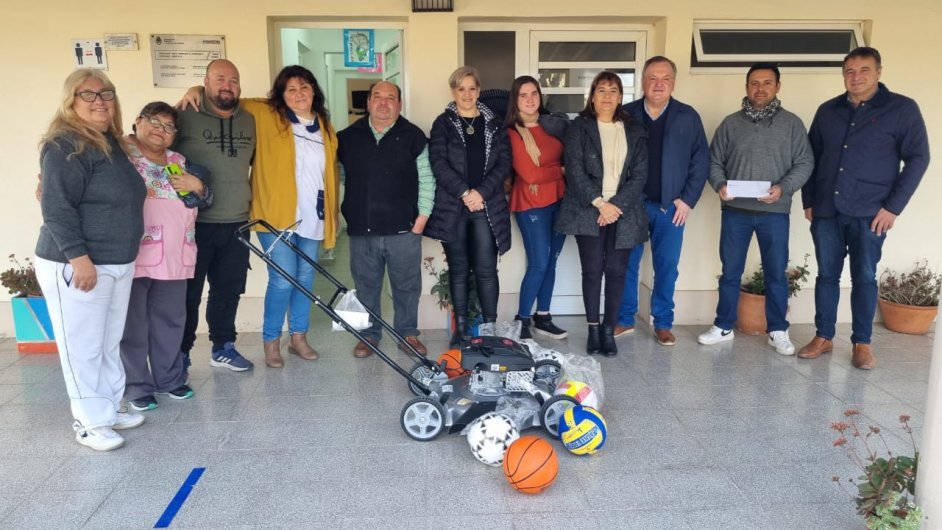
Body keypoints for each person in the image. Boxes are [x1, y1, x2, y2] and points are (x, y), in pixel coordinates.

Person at [179, 64, 340, 369]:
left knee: (305, 279)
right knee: (282, 280)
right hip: (275, 215)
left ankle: (299, 338)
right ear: (280, 94)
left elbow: (329, 175)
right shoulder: (266, 115)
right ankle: (270, 342)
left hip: (313, 216)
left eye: (304, 87)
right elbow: (225, 96)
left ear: (314, 91)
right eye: (290, 88)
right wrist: (196, 90)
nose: (298, 94)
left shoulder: (325, 126)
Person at [35, 69, 146, 451]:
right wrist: (78, 258)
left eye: (107, 94)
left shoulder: (109, 141)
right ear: (71, 101)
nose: (99, 101)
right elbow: (56, 206)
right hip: (79, 263)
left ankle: (110, 407)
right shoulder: (65, 143)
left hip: (116, 260)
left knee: (106, 342)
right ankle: (88, 422)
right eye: (89, 95)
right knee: (81, 345)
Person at [799, 47, 930, 370]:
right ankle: (824, 336)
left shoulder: (901, 109)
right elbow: (810, 159)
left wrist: (893, 208)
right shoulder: (828, 111)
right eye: (849, 71)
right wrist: (810, 201)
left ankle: (862, 343)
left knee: (864, 277)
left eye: (864, 70)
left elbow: (918, 159)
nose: (856, 77)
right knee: (827, 275)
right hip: (827, 210)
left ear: (878, 72)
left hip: (872, 213)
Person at [697, 63, 814, 356]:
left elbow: (805, 163)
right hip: (735, 211)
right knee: (730, 271)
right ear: (746, 86)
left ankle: (777, 329)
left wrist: (783, 188)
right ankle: (723, 325)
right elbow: (713, 162)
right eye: (754, 83)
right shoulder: (730, 123)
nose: (760, 88)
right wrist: (719, 184)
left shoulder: (792, 124)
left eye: (766, 83)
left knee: (776, 272)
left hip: (774, 213)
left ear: (777, 86)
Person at [120, 102, 213, 411]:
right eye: (154, 122)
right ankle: (137, 385)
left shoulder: (178, 161)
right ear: (137, 122)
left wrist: (198, 186)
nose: (160, 130)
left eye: (169, 127)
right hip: (135, 254)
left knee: (171, 320)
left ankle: (170, 379)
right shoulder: (120, 153)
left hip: (175, 255)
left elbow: (199, 200)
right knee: (134, 324)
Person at [616, 56, 710, 347]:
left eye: (665, 78)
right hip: (632, 205)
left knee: (667, 266)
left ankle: (664, 323)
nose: (659, 84)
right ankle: (624, 319)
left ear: (673, 82)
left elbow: (701, 161)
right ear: (643, 82)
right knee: (627, 264)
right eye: (652, 78)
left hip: (671, 207)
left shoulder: (687, 116)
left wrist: (688, 201)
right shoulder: (626, 114)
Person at [555, 71, 649, 357]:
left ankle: (609, 330)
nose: (607, 96)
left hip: (624, 211)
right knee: (593, 271)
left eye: (613, 90)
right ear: (592, 96)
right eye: (601, 90)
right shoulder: (578, 127)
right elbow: (574, 169)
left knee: (617, 272)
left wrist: (615, 205)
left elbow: (640, 173)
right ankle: (593, 329)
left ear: (621, 97)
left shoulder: (634, 129)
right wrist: (600, 203)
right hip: (588, 209)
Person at [337, 81, 434, 358]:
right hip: (362, 231)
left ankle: (407, 334)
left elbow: (427, 179)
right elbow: (341, 178)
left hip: (404, 229)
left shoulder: (413, 136)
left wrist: (422, 218)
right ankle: (368, 335)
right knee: (366, 286)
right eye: (377, 97)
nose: (383, 102)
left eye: (390, 97)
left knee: (407, 286)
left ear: (399, 104)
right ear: (367, 102)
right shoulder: (348, 137)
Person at [175, 59, 256, 372]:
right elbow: (150, 138)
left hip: (237, 222)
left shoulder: (250, 119)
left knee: (229, 290)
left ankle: (223, 347)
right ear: (205, 83)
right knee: (188, 294)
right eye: (219, 78)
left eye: (233, 80)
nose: (227, 85)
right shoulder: (184, 113)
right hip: (193, 224)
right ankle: (180, 354)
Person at [425, 66, 512, 347]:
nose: (467, 94)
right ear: (454, 91)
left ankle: (489, 329)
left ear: (478, 90)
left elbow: (504, 164)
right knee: (459, 269)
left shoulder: (495, 123)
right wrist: (465, 193)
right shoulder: (443, 123)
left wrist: (481, 194)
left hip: (486, 207)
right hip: (455, 208)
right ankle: (461, 329)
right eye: (461, 88)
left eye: (472, 88)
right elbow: (438, 163)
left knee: (487, 270)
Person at [505, 75, 570, 341]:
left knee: (551, 261)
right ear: (515, 100)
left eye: (534, 93)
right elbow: (530, 175)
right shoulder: (512, 132)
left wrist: (554, 170)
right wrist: (562, 170)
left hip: (560, 200)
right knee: (539, 263)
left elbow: (567, 158)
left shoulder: (552, 126)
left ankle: (543, 316)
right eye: (523, 95)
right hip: (531, 204)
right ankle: (522, 319)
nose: (530, 99)